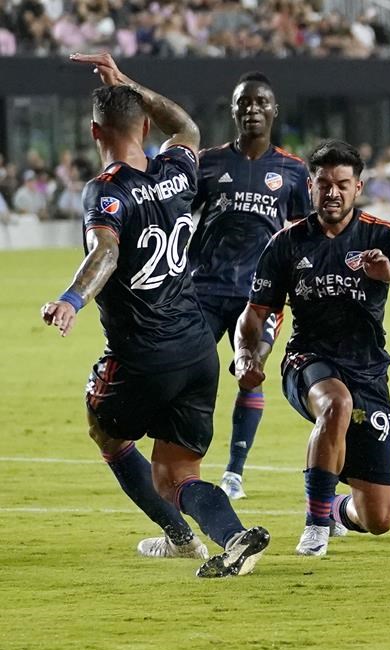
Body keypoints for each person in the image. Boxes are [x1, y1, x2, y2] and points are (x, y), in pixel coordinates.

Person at [40, 52, 270, 578]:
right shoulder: (177, 171)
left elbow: (105, 253)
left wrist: (72, 300)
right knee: (178, 473)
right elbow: (186, 125)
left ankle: (179, 536)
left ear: (95, 130)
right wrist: (129, 83)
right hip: (197, 349)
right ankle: (233, 538)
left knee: (105, 430)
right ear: (144, 124)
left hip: (144, 354)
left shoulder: (107, 190)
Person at [234, 140, 390, 557]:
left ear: (358, 186)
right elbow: (254, 315)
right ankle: (314, 526)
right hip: (307, 361)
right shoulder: (287, 243)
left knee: (379, 518)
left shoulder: (384, 237)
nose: (332, 193)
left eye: (342, 184)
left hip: (368, 371)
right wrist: (245, 356)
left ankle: (335, 510)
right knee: (336, 404)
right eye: (323, 184)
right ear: (310, 187)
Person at [190, 71, 312, 499]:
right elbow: (179, 218)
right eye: (244, 103)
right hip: (203, 289)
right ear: (234, 110)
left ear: (274, 110)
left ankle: (234, 474)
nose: (253, 110)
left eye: (261, 102)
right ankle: (186, 464)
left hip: (260, 294)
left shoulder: (294, 171)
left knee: (251, 374)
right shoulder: (207, 163)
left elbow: (302, 236)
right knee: (190, 375)